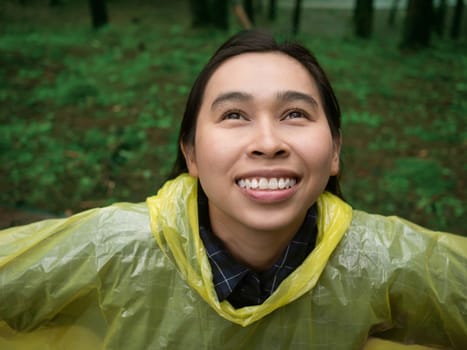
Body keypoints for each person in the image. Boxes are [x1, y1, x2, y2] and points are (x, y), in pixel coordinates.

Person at [0, 30, 466, 350]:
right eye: (234, 115)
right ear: (192, 155)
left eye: (295, 114)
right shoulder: (114, 246)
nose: (268, 143)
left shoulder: (382, 259)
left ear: (335, 151)